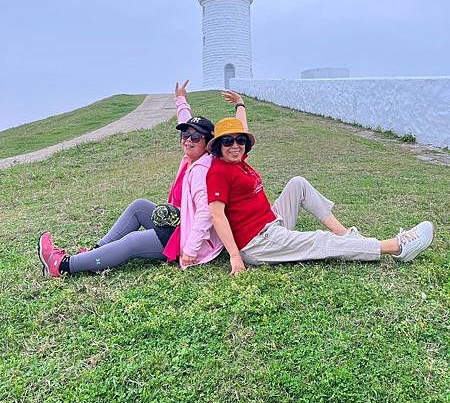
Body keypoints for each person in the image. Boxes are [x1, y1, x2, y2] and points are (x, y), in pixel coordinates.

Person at [38, 81, 245, 278]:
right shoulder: (191, 157)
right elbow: (185, 121)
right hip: (179, 224)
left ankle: (62, 266)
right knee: (139, 207)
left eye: (196, 137)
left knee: (133, 242)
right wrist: (181, 100)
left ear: (208, 144)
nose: (188, 140)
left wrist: (190, 250)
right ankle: (95, 254)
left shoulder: (204, 170)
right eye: (185, 136)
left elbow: (205, 213)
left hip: (189, 240)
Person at [206, 105, 435, 276]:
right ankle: (396, 247)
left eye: (240, 141)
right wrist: (235, 257)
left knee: (298, 183)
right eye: (228, 142)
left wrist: (240, 104)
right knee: (319, 241)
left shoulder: (237, 160)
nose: (235, 146)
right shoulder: (219, 172)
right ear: (218, 146)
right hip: (258, 242)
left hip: (272, 222)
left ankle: (345, 234)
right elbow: (217, 215)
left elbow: (241, 129)